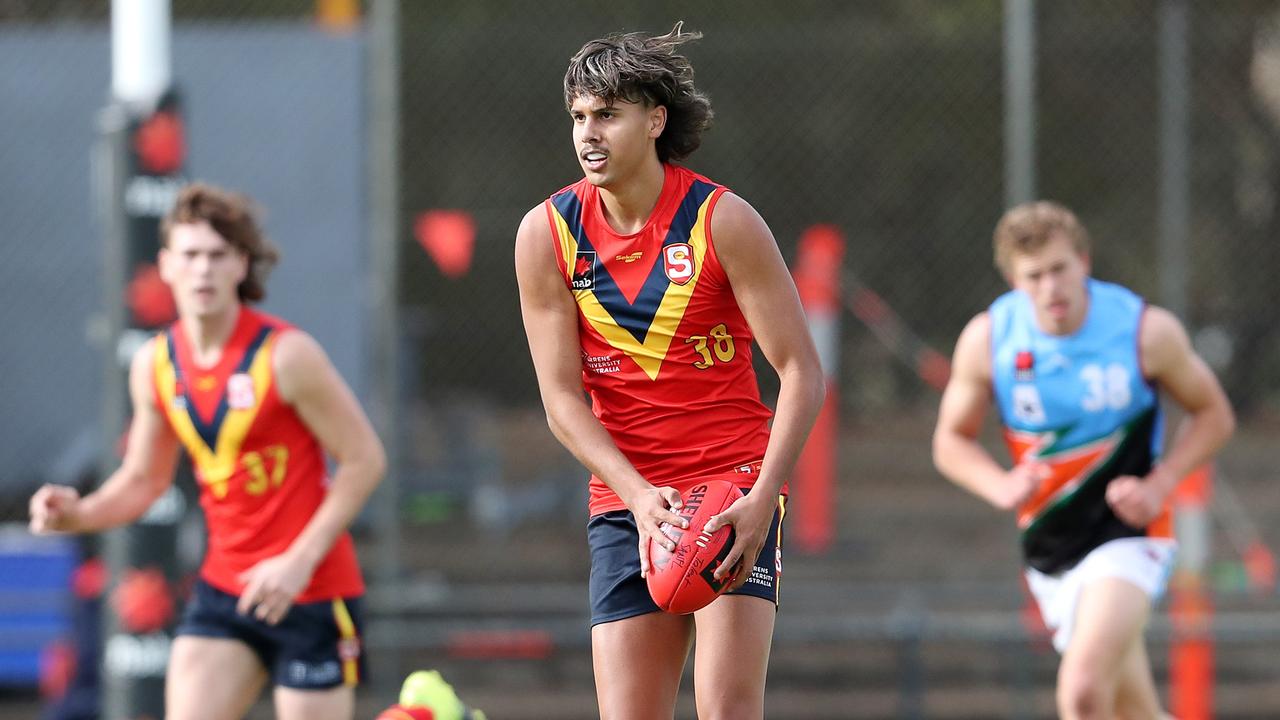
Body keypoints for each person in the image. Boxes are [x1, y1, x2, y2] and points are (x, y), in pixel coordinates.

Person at [514, 23, 824, 720]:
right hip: (628, 503)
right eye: (579, 117)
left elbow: (802, 371)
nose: (589, 134)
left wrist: (764, 500)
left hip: (731, 491)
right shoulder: (547, 233)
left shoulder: (722, 221)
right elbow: (562, 401)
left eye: (608, 115)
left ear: (654, 120)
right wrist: (636, 495)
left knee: (727, 710)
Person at [29, 183, 386, 720]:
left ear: (242, 265)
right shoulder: (155, 364)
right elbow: (144, 480)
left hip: (312, 590)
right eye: (190, 255)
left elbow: (365, 461)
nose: (203, 270)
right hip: (225, 590)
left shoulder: (287, 356)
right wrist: (76, 514)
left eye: (218, 255)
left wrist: (297, 562)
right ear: (166, 266)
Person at [933, 200, 1235, 720]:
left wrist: (1160, 485)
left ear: (1084, 262)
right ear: (1012, 279)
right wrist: (998, 485)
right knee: (1131, 710)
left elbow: (1215, 415)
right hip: (1053, 544)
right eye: (1034, 276)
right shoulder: (989, 340)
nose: (1050, 287)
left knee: (1082, 690)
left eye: (1059, 269)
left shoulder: (1145, 331)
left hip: (1129, 533)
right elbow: (950, 442)